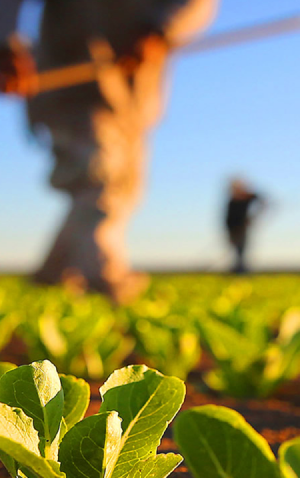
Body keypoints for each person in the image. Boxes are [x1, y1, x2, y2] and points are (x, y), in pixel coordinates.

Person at [0, 0, 218, 302]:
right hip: (72, 83)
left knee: (125, 188)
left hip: (132, 92)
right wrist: (5, 42)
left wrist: (159, 29)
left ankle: (51, 277)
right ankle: (105, 278)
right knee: (101, 181)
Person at [224, 177, 266, 274]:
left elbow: (262, 201)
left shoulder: (248, 197)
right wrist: (230, 232)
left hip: (243, 228)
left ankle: (241, 270)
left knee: (242, 249)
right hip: (233, 229)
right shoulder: (232, 201)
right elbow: (228, 219)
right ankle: (239, 269)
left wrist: (254, 216)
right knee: (237, 250)